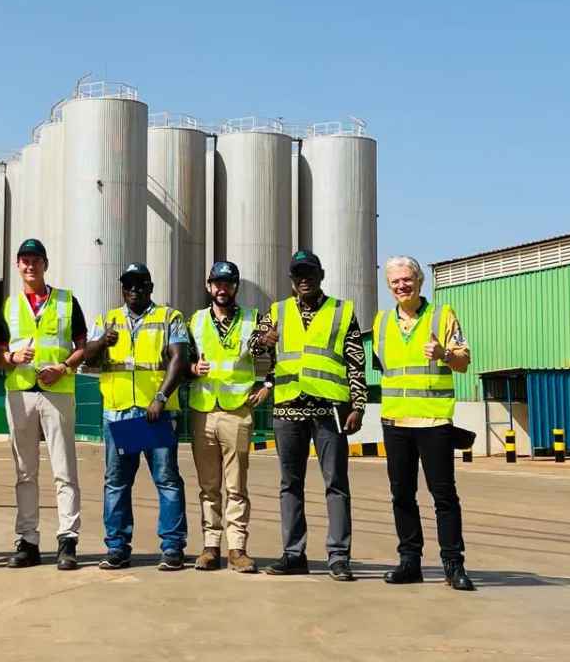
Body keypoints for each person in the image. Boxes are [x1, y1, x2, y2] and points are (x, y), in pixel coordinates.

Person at [261, 250, 367, 581]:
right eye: (298, 274)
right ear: (291, 280)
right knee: (290, 484)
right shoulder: (277, 311)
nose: (304, 279)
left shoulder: (342, 311)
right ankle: (294, 555)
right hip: (288, 409)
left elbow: (356, 362)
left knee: (336, 484)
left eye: (310, 273)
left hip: (329, 411)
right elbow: (253, 346)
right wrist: (263, 339)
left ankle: (339, 557)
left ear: (321, 275)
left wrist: (358, 405)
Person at [372, 255, 474, 591]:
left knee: (444, 496)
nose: (402, 286)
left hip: (433, 421)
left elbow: (464, 362)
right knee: (401, 495)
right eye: (395, 282)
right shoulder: (381, 322)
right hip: (395, 421)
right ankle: (409, 562)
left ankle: (453, 565)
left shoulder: (442, 316)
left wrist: (444, 354)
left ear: (419, 281)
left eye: (407, 279)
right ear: (389, 286)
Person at [83, 263, 190, 571]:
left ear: (150, 287)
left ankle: (172, 547)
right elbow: (88, 357)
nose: (134, 290)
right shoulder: (107, 320)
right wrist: (102, 342)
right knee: (117, 483)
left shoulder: (169, 317)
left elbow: (180, 359)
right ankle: (117, 547)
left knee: (166, 480)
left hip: (154, 415)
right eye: (128, 284)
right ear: (122, 288)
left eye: (140, 284)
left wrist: (160, 398)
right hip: (120, 413)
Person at [0, 239, 87, 570]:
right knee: (24, 472)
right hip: (20, 393)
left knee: (65, 469)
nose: (30, 265)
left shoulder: (66, 301)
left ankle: (67, 540)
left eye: (35, 260)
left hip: (57, 391)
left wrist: (63, 367)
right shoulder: (9, 305)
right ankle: (28, 541)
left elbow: (81, 346)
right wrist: (13, 357)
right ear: (17, 266)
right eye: (24, 260)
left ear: (45, 264)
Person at [186, 261, 265, 573]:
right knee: (209, 486)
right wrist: (193, 368)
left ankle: (237, 549)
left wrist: (267, 385)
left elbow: (275, 355)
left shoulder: (253, 319)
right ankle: (210, 547)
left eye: (228, 283)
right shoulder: (195, 321)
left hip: (236, 410)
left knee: (236, 486)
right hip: (203, 410)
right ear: (209, 286)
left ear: (236, 287)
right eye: (217, 283)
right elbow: (181, 359)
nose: (222, 289)